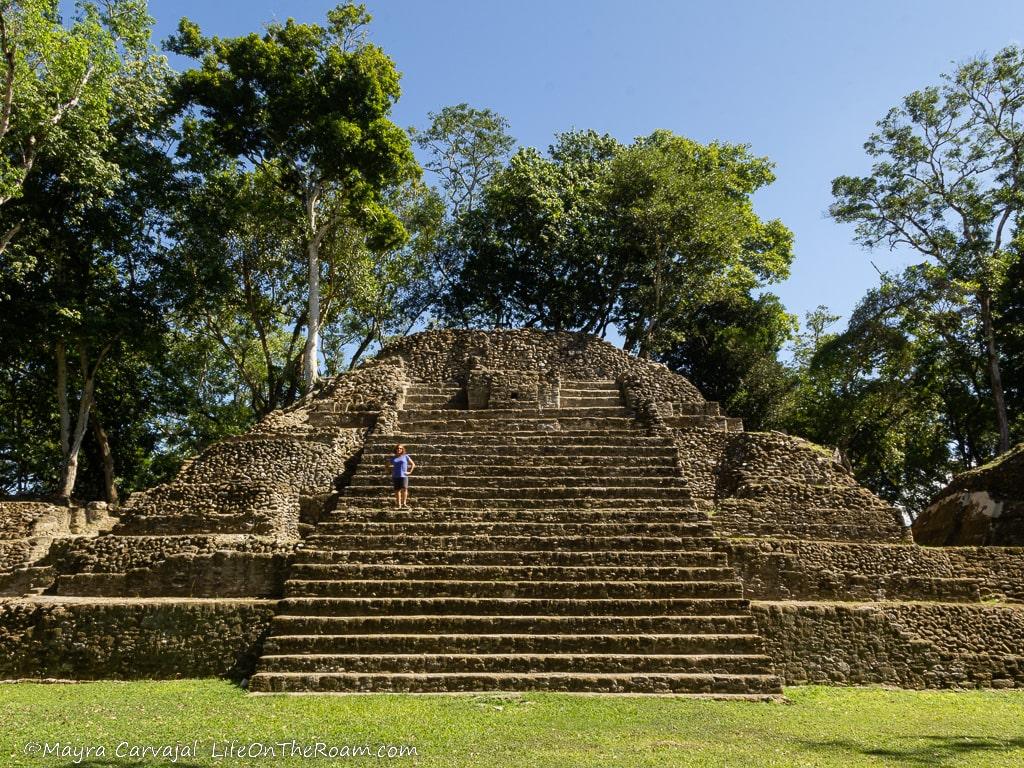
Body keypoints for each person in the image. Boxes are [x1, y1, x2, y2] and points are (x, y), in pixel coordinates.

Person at [389, 444, 415, 508]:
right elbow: (386, 465)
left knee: (404, 489)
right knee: (397, 490)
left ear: (402, 449)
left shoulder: (406, 456)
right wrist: (390, 471)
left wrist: (410, 472)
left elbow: (413, 464)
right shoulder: (393, 458)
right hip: (396, 476)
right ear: (396, 450)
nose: (399, 449)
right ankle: (398, 504)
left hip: (404, 475)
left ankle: (404, 503)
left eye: (400, 448)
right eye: (398, 448)